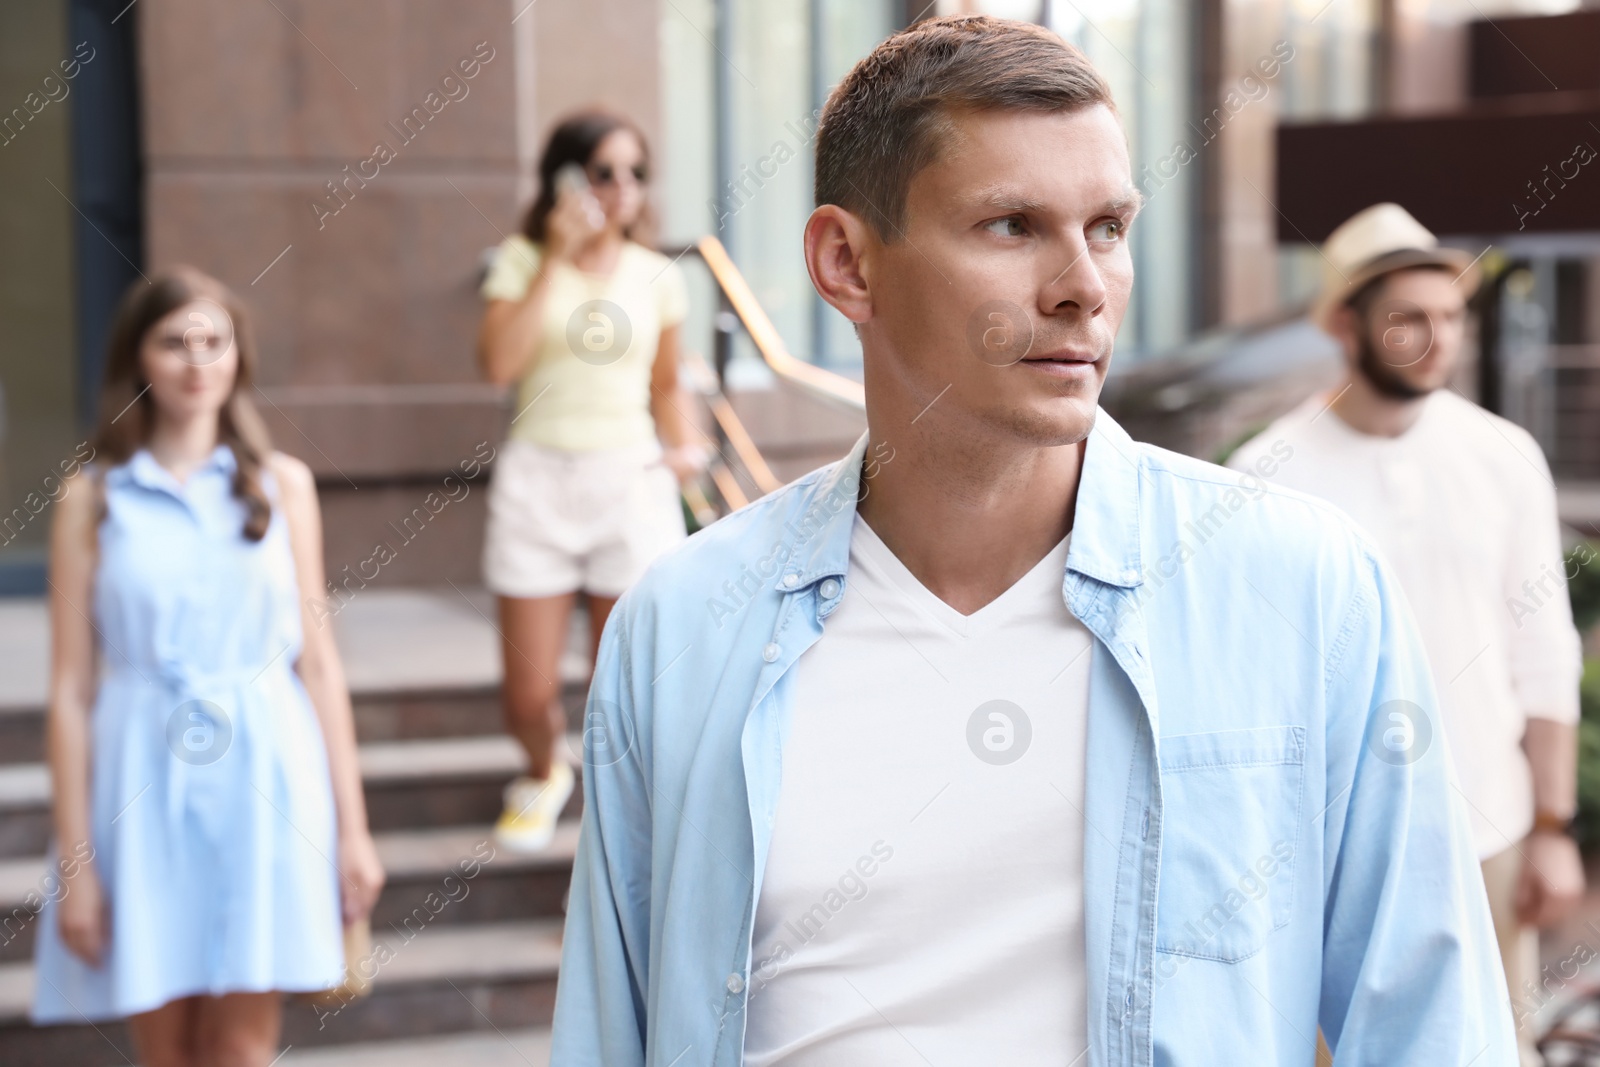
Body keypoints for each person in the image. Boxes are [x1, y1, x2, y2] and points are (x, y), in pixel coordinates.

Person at [552, 16, 1515, 1065]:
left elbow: (1432, 1028)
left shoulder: (1304, 588)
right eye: (1011, 225)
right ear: (846, 262)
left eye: (1107, 226)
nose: (1083, 286)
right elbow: (609, 1031)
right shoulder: (684, 623)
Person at [1228, 202, 1585, 1064]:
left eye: (1453, 316)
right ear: (1347, 324)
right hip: (1325, 855)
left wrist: (1550, 823)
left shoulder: (1503, 454)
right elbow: (1248, 685)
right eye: (1410, 318)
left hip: (1487, 827)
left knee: (1498, 1046)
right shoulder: (1264, 476)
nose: (1438, 337)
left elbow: (1543, 655)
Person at [32, 267, 385, 1066]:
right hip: (137, 771)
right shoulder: (91, 499)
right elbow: (68, 690)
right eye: (174, 341)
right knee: (165, 1043)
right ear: (139, 360)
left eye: (213, 340)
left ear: (237, 358)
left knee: (242, 1045)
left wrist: (353, 831)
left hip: (266, 766)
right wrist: (77, 862)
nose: (197, 360)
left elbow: (320, 666)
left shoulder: (283, 486)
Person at [476, 110, 705, 852]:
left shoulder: (657, 275)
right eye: (604, 170)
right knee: (528, 690)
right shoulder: (521, 258)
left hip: (629, 480)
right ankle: (543, 773)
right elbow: (500, 365)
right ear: (566, 177)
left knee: (623, 680)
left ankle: (620, 814)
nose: (623, 187)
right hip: (539, 479)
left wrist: (687, 445)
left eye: (636, 172)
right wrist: (556, 256)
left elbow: (667, 383)